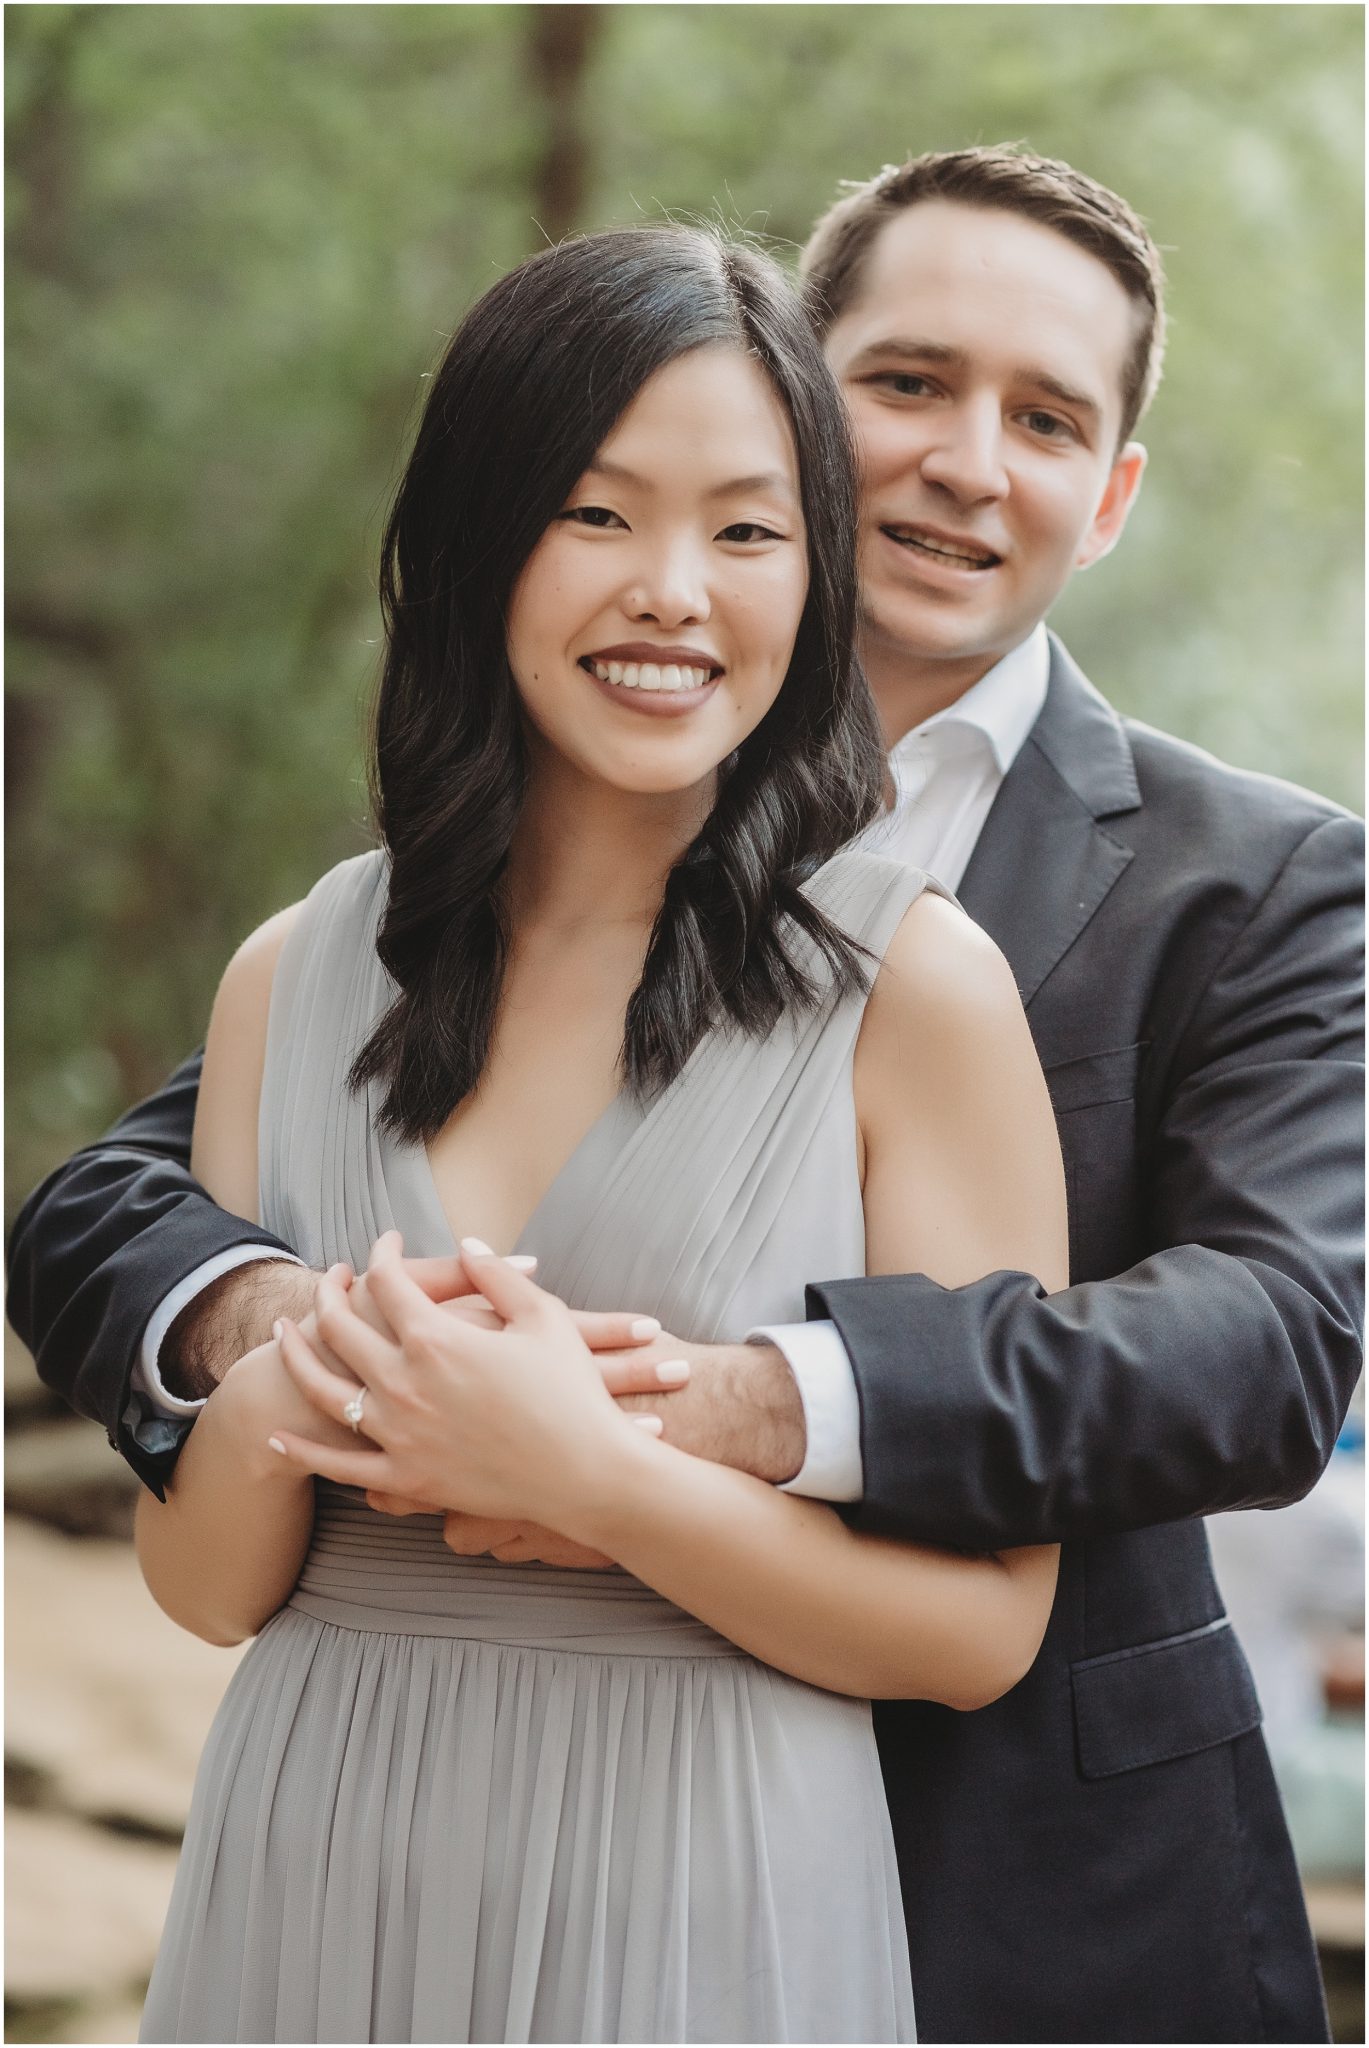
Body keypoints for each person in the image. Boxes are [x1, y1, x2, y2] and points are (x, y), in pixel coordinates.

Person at [8, 147, 1362, 2043]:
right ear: (803, 392)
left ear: (1110, 491)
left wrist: (695, 1418)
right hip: (356, 1850)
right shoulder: (374, 933)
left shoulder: (1249, 883)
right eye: (906, 383)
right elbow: (123, 1211)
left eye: (1044, 417)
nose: (968, 459)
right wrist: (290, 1334)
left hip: (1012, 1879)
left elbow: (1273, 1342)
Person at [119, 222, 1070, 2043]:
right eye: (595, 514)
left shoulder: (917, 998)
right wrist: (279, 1395)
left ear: (813, 575)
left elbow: (978, 1632)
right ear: (476, 538)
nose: (673, 592)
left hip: (701, 1876)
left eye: (745, 530)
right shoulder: (290, 972)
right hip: (315, 1852)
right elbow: (207, 1586)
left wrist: (598, 1478)